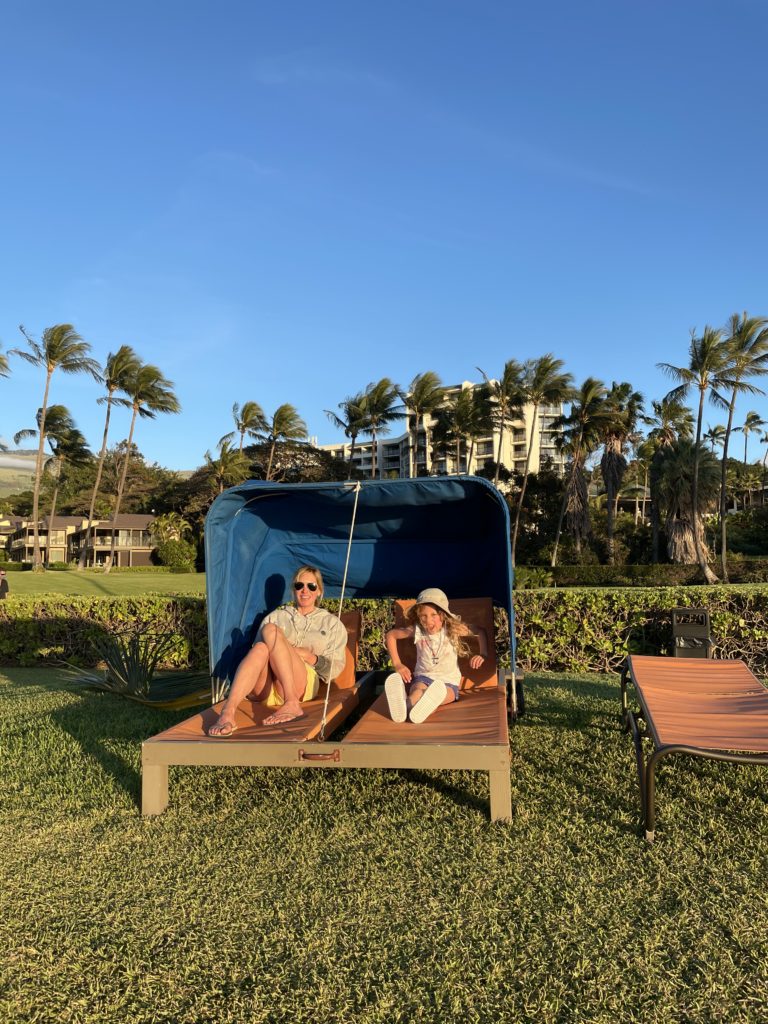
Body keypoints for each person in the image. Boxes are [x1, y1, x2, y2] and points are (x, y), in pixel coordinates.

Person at [208, 565, 348, 736]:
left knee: (270, 630)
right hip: (266, 688)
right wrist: (288, 649)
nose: (305, 591)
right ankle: (228, 712)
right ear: (293, 590)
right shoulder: (276, 616)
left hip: (301, 682)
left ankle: (291, 702)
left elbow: (335, 668)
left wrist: (308, 656)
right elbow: (258, 658)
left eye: (311, 586)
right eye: (299, 585)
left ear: (319, 591)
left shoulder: (331, 624)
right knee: (260, 646)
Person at [384, 587, 488, 724]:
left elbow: (480, 631)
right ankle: (404, 707)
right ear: (419, 617)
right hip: (423, 677)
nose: (428, 621)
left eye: (433, 615)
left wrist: (483, 654)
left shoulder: (452, 630)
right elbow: (391, 635)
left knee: (440, 696)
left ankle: (413, 707)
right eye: (423, 616)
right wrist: (397, 664)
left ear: (442, 615)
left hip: (448, 682)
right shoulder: (417, 631)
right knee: (417, 692)